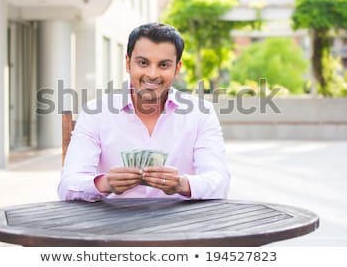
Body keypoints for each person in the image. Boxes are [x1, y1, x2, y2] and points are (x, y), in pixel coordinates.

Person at [58, 22, 230, 202]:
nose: (152, 74)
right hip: (114, 224)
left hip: (180, 224)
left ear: (177, 69)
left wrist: (182, 184)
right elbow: (67, 186)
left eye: (163, 65)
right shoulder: (95, 113)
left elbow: (220, 183)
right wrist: (105, 183)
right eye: (143, 63)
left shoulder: (201, 113)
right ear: (128, 63)